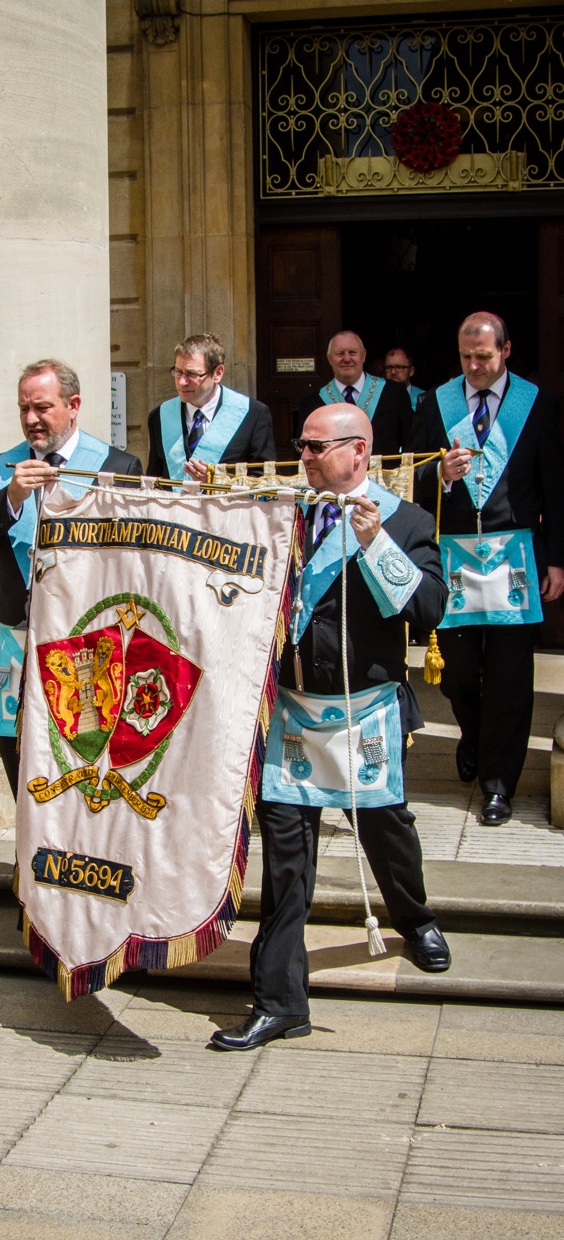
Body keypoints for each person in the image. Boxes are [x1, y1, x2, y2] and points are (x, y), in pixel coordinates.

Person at [211, 402, 450, 1053]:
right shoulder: (283, 514)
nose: (305, 456)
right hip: (292, 711)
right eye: (302, 445)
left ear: (358, 451)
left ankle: (415, 919)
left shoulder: (405, 520)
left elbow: (430, 609)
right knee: (287, 867)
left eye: (316, 446)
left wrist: (376, 546)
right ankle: (279, 1002)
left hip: (363, 714)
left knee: (386, 834)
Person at [0, 358, 142, 796]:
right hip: (17, 644)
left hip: (90, 650)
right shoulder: (0, 468)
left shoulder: (117, 466)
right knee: (23, 780)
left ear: (73, 405)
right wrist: (12, 496)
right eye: (24, 409)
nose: (31, 419)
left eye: (42, 407)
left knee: (83, 783)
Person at [410, 312, 564, 826]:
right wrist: (440, 473)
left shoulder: (536, 403)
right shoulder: (436, 402)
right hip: (453, 554)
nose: (474, 367)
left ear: (506, 351)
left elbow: (554, 484)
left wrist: (557, 558)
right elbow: (410, 474)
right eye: (466, 357)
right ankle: (474, 735)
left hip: (514, 554)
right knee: (456, 673)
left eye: (484, 357)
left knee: (510, 677)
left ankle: (499, 782)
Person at [147, 332, 274, 482]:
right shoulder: (160, 416)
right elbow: (153, 479)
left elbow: (266, 479)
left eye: (192, 374)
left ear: (218, 373)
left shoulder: (253, 415)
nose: (182, 382)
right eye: (178, 372)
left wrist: (219, 481)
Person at [296, 330, 413, 459]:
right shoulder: (312, 404)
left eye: (352, 353)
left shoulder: (394, 393)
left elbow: (411, 443)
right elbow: (303, 454)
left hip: (384, 472)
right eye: (340, 354)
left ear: (363, 355)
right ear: (329, 359)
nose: (347, 359)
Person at [385, 346, 424, 410]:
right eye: (389, 367)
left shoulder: (423, 399)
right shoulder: (376, 397)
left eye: (399, 367)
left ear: (411, 371)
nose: (393, 372)